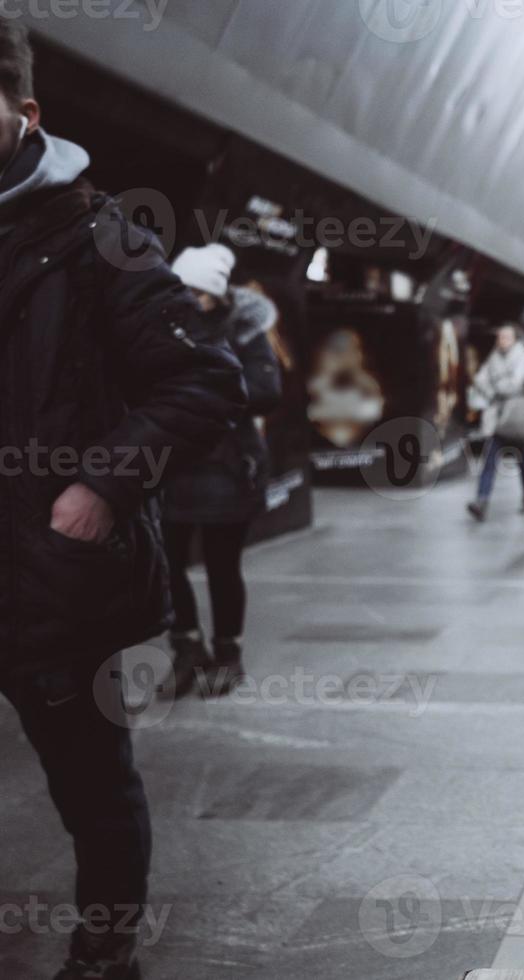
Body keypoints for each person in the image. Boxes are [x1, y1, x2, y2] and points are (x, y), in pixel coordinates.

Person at [0, 24, 244, 980]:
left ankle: (105, 951)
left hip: (55, 573)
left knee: (90, 783)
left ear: (26, 115)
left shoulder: (104, 238)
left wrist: (104, 482)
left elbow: (203, 382)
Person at [160, 245, 283, 699]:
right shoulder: (162, 327)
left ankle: (228, 654)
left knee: (221, 565)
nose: (189, 298)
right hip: (172, 462)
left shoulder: (243, 331)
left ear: (215, 293)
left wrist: (200, 388)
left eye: (197, 291)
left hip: (227, 466)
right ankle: (187, 648)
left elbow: (266, 390)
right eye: (182, 288)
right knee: (167, 562)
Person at [466, 322, 524, 521]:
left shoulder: (523, 358)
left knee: (523, 463)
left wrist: (495, 387)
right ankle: (481, 500)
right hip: (497, 420)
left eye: (506, 337)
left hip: (515, 419)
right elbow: (480, 379)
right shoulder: (493, 357)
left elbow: (517, 385)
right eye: (500, 337)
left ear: (515, 339)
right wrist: (494, 389)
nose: (501, 340)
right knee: (489, 461)